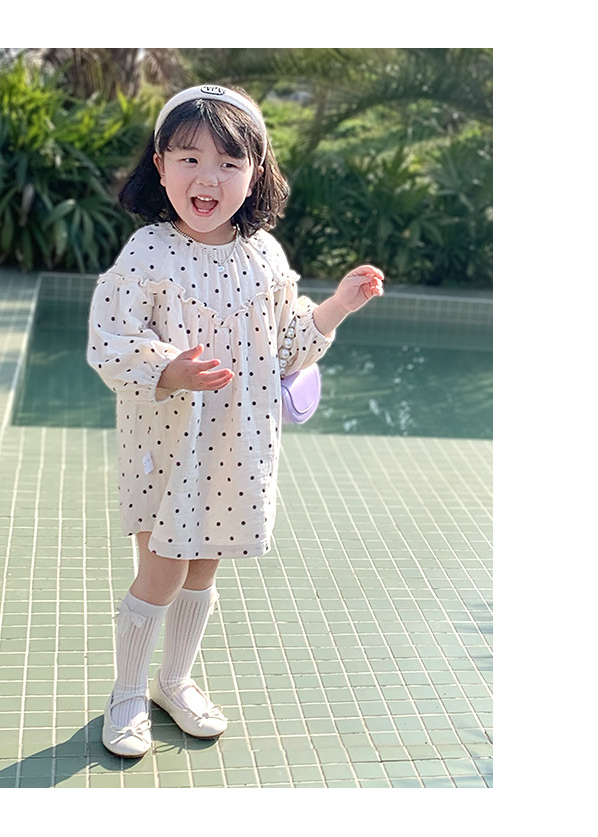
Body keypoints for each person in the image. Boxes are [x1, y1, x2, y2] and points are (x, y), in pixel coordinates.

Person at [88, 84, 384, 758]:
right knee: (162, 572)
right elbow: (112, 341)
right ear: (160, 165)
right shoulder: (147, 253)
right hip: (168, 446)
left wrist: (337, 306)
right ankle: (127, 692)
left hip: (235, 447)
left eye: (229, 162)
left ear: (255, 173)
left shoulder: (264, 257)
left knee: (202, 571)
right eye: (189, 158)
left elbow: (288, 347)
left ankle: (175, 681)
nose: (208, 177)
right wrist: (171, 368)